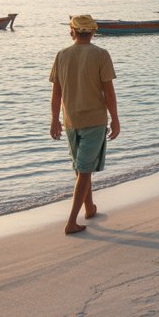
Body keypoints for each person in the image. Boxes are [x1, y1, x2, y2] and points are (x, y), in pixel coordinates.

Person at [49, 14, 120, 235]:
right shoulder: (101, 55)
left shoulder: (62, 55)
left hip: (71, 120)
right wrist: (115, 119)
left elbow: (56, 93)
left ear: (72, 31)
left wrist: (54, 120)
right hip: (94, 120)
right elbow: (108, 93)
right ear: (93, 32)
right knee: (85, 170)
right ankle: (71, 221)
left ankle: (89, 208)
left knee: (81, 169)